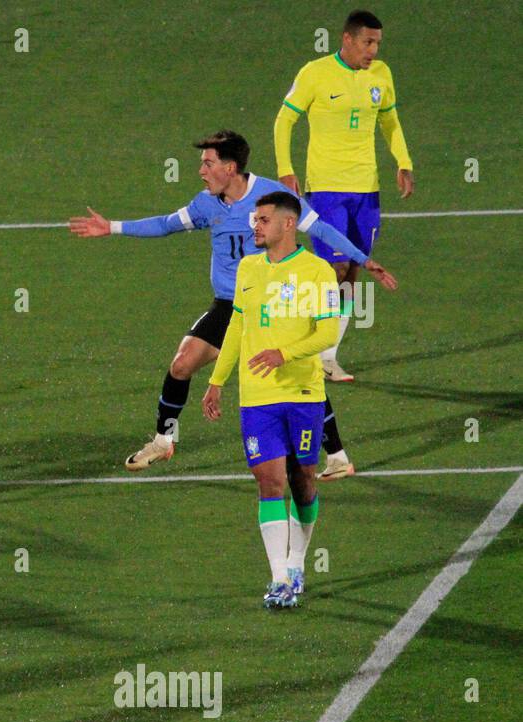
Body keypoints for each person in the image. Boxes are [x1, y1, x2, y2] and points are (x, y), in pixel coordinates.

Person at [70, 130, 394, 481]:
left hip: (272, 308)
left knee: (297, 379)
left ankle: (337, 457)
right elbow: (165, 225)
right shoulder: (206, 204)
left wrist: (364, 259)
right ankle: (164, 441)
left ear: (231, 167)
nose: (201, 171)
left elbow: (322, 230)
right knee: (181, 365)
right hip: (228, 305)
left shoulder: (274, 198)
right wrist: (112, 227)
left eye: (208, 164)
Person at [201, 192, 340, 608]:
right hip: (258, 396)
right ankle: (279, 578)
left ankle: (298, 561)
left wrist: (284, 353)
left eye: (262, 220)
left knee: (303, 482)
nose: (254, 227)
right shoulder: (248, 268)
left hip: (302, 392)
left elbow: (328, 332)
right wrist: (216, 380)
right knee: (269, 481)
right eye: (254, 220)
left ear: (287, 224)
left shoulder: (318, 271)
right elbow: (237, 328)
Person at [274, 9, 413, 382]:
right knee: (332, 269)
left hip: (366, 189)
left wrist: (403, 160)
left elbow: (389, 120)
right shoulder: (315, 73)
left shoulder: (381, 75)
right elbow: (284, 120)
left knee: (353, 269)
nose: (373, 50)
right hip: (326, 188)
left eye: (378, 44)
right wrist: (285, 169)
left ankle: (328, 355)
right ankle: (309, 347)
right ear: (347, 40)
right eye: (368, 42)